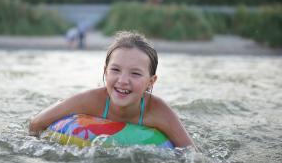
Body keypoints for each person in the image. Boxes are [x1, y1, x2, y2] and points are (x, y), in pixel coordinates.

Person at [29, 30, 196, 149]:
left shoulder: (159, 112)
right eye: (115, 70)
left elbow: (192, 156)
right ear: (105, 72)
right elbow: (37, 123)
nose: (123, 81)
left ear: (151, 82)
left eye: (136, 73)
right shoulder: (92, 101)